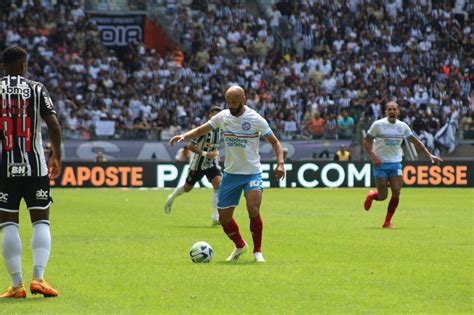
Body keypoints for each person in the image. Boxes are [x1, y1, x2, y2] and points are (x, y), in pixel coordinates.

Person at [169, 85, 285, 262]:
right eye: (228, 102)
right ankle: (240, 246)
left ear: (243, 100)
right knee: (224, 218)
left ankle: (257, 251)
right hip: (231, 174)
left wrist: (280, 163)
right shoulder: (223, 116)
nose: (231, 106)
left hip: (252, 173)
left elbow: (275, 143)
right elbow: (202, 129)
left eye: (235, 102)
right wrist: (184, 136)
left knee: (253, 208)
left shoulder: (255, 119)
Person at [0, 46, 62, 298]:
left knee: (8, 224)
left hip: (4, 168)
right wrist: (56, 155)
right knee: (40, 221)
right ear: (24, 66)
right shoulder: (37, 89)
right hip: (36, 167)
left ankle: (17, 285)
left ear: (3, 65)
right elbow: (54, 126)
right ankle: (39, 278)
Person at [363, 101, 442, 228]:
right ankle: (372, 195)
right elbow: (366, 142)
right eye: (389, 109)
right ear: (386, 112)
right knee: (383, 196)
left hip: (396, 163)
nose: (392, 111)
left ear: (398, 112)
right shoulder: (378, 125)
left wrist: (429, 155)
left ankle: (387, 222)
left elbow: (416, 142)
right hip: (380, 164)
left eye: (394, 109)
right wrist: (373, 156)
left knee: (396, 192)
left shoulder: (403, 126)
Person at [165, 106, 223, 226]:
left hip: (211, 163)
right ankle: (172, 197)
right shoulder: (204, 129)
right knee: (187, 188)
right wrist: (206, 154)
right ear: (210, 115)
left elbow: (214, 145)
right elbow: (190, 146)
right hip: (197, 165)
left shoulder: (221, 130)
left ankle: (215, 217)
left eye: (219, 115)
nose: (217, 117)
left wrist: (215, 154)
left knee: (218, 184)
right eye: (214, 114)